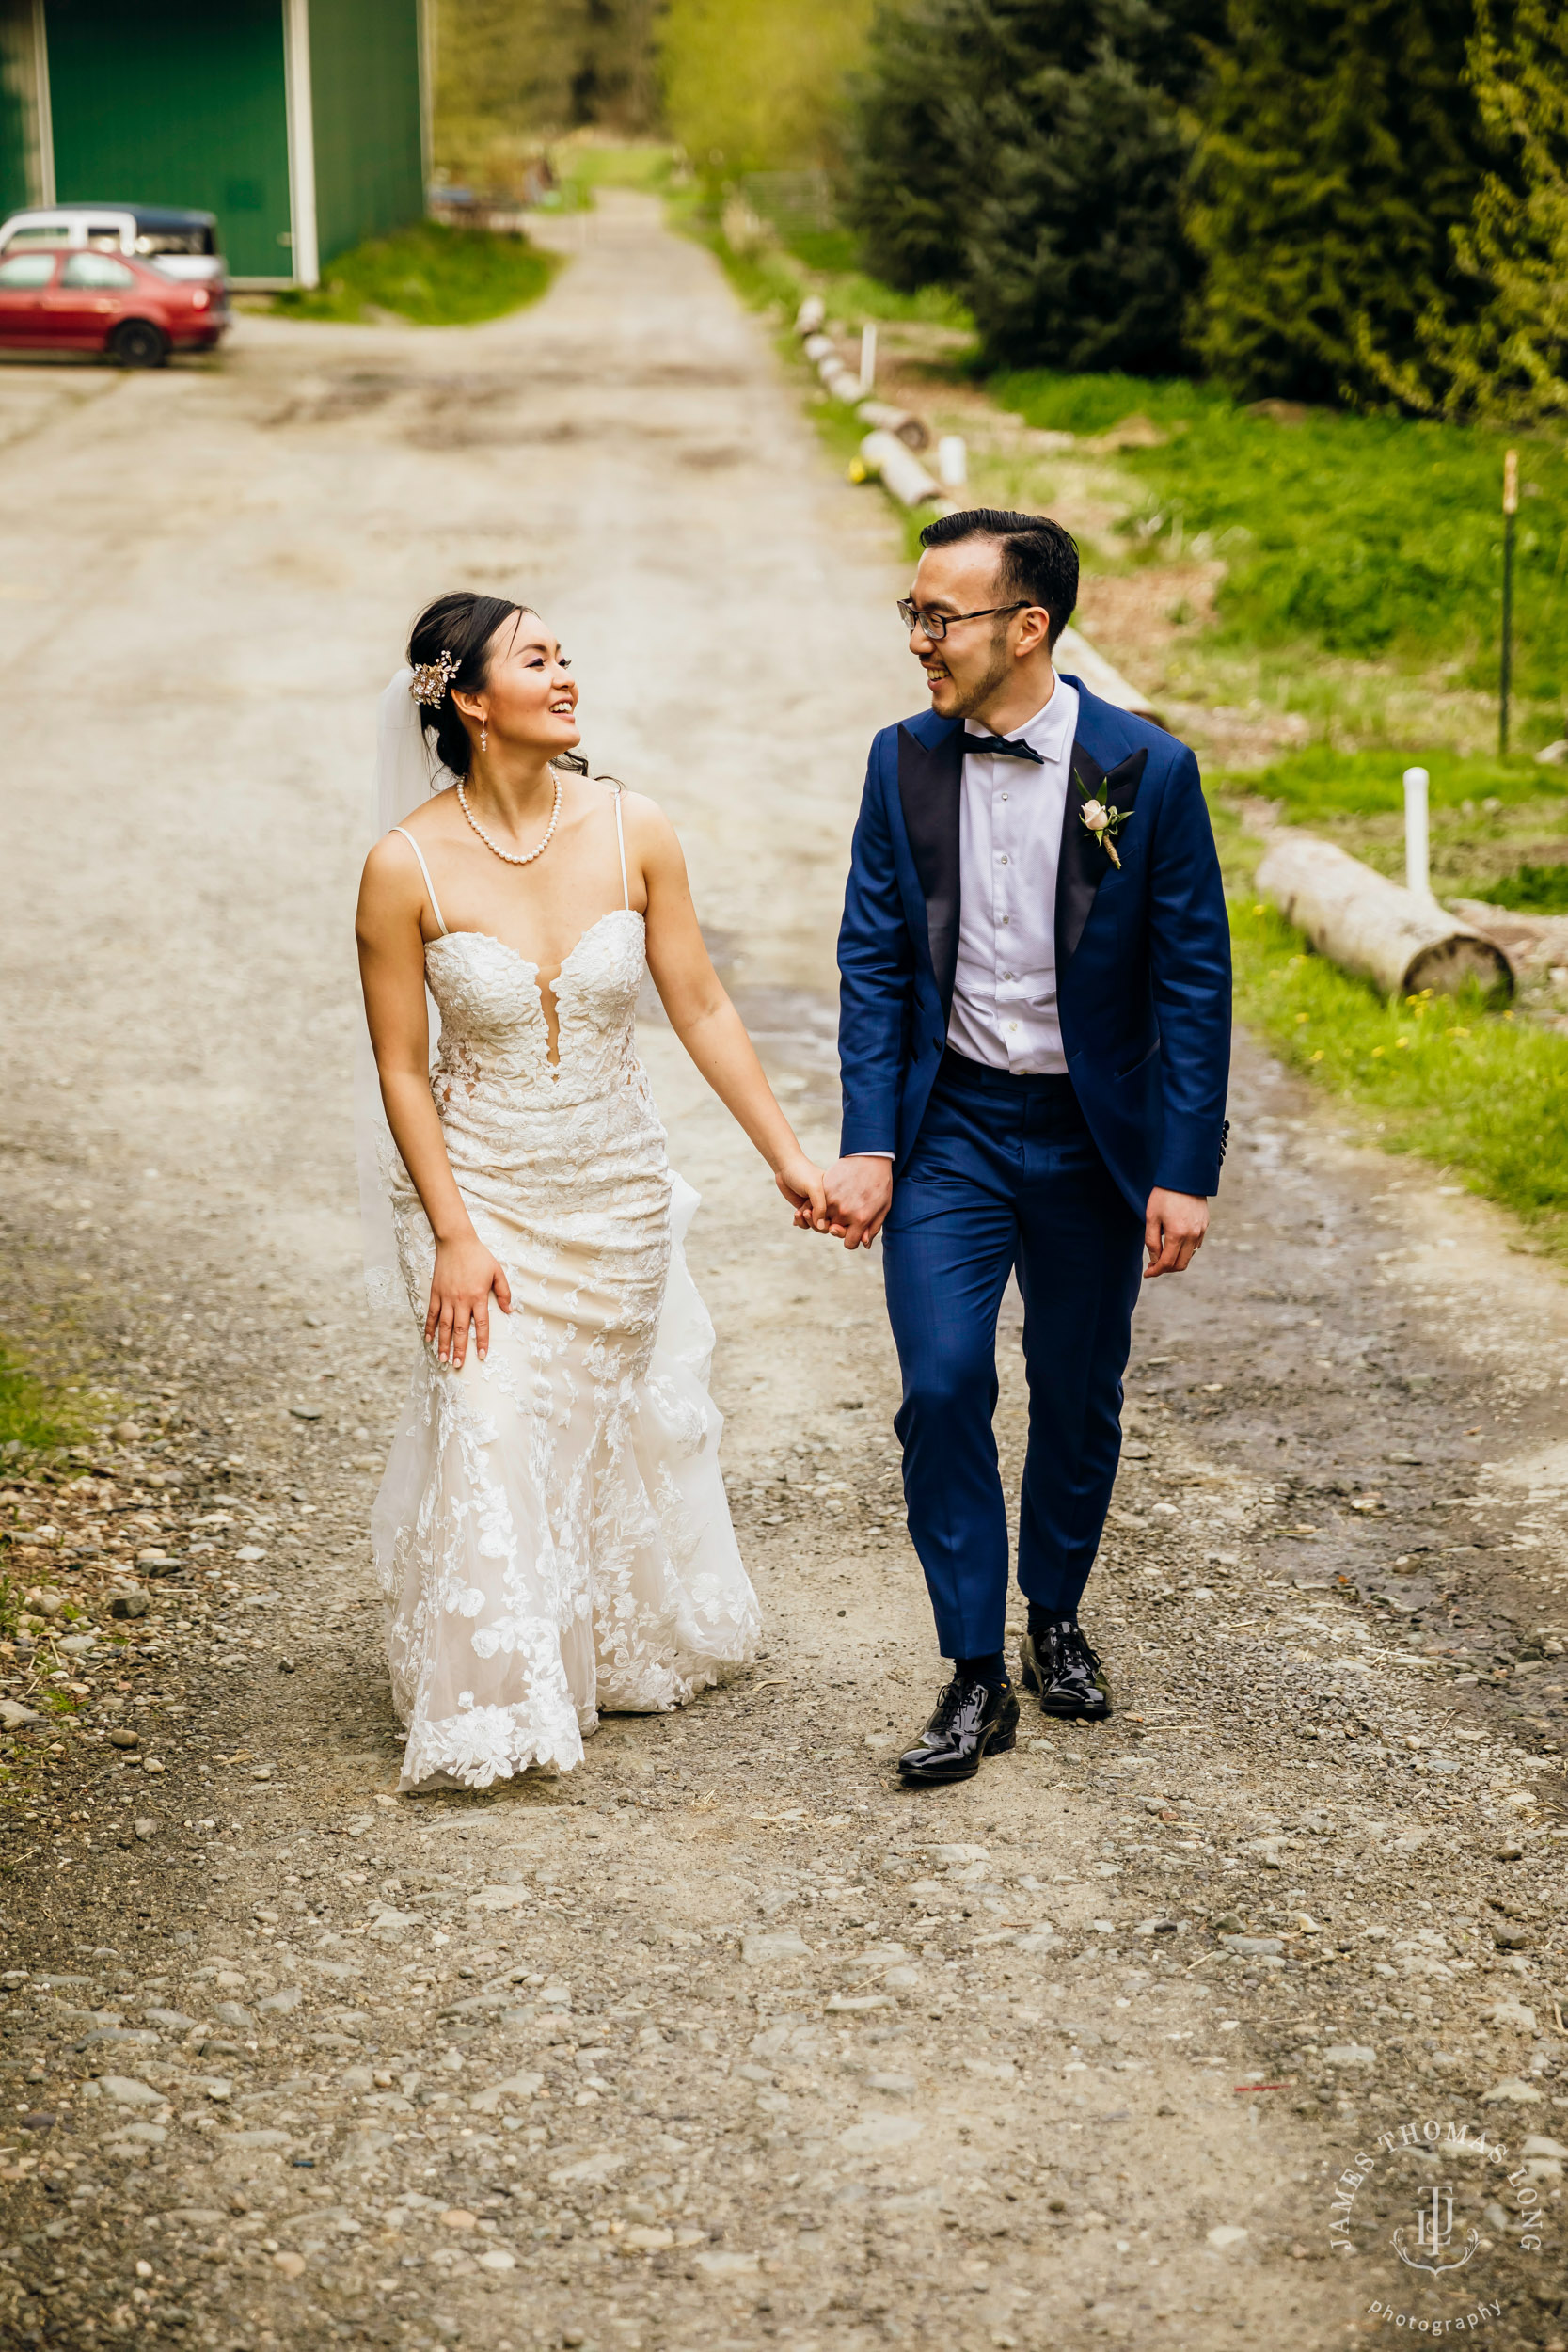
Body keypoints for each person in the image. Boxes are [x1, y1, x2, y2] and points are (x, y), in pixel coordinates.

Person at [356, 591, 826, 1791]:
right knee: (492, 1420)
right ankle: (493, 1701)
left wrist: (788, 1158)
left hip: (614, 1196)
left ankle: (600, 1632)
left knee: (578, 1436)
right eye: (535, 660)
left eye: (569, 657)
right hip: (481, 1202)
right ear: (465, 698)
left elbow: (704, 1006)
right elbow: (403, 1072)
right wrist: (455, 1233)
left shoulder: (634, 828)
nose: (566, 676)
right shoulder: (402, 865)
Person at [818, 509, 1230, 1786]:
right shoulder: (900, 763)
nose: (918, 642)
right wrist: (871, 1143)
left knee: (1076, 1385)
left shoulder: (1143, 772)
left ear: (1027, 627)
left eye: (938, 619)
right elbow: (873, 963)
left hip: (1088, 1136)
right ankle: (971, 1672)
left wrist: (1183, 1166)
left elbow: (1192, 979)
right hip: (949, 1131)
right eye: (912, 615)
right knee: (940, 1386)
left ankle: (1052, 1613)